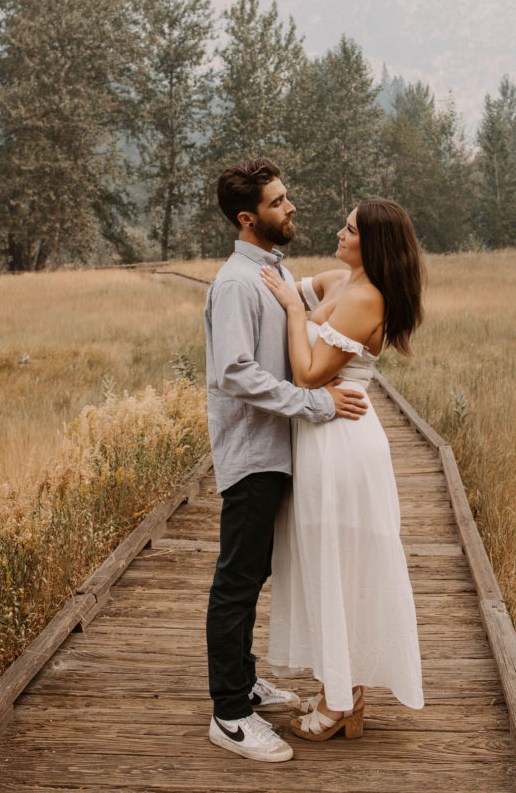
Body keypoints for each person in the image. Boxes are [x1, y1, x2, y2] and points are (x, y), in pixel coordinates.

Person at [204, 157, 367, 763]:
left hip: (277, 449)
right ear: (249, 218)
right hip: (253, 451)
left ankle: (243, 678)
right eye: (277, 202)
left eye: (286, 196)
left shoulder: (272, 272)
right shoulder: (236, 283)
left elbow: (320, 302)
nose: (290, 206)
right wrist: (313, 403)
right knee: (237, 580)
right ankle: (230, 713)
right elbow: (233, 371)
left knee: (254, 574)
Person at [261, 198, 425, 740]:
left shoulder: (366, 299)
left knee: (341, 564)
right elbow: (282, 280)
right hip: (319, 438)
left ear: (370, 243)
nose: (338, 231)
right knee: (322, 561)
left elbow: (307, 374)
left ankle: (342, 702)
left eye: (349, 229)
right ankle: (339, 684)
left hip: (343, 442)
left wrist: (292, 311)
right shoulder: (339, 281)